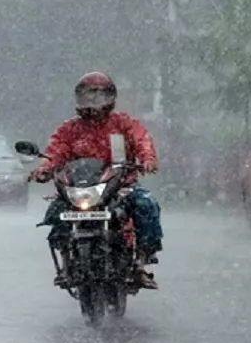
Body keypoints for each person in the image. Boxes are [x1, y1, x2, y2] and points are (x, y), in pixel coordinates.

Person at [29, 71, 164, 289]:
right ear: (79, 99)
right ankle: (66, 261)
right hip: (80, 189)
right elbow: (55, 151)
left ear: (111, 98)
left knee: (146, 205)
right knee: (55, 213)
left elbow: (142, 139)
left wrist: (148, 159)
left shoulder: (123, 124)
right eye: (89, 97)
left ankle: (141, 263)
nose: (94, 103)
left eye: (100, 96)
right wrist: (44, 169)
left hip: (120, 185)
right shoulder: (71, 129)